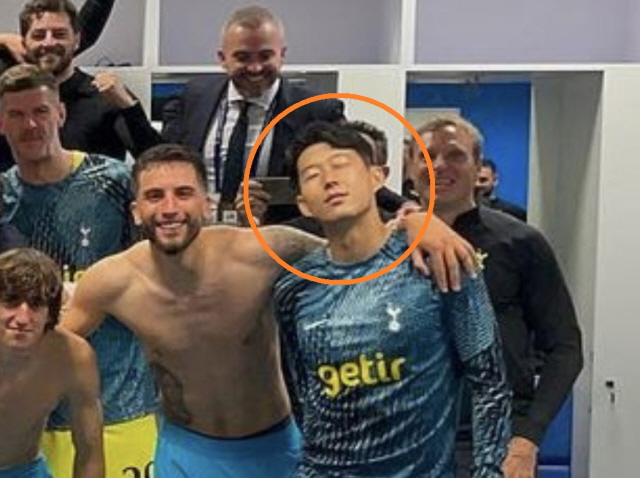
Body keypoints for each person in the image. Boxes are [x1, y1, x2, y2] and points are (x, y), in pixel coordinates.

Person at [60, 142, 479, 477]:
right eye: (155, 196)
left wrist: (414, 221)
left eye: (183, 194)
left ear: (206, 203)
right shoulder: (112, 281)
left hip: (274, 449)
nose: (169, 208)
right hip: (185, 452)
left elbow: (356, 251)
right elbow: (52, 346)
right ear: (136, 211)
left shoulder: (262, 252)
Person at [273, 121, 511, 477]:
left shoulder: (440, 261)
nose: (330, 180)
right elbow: (304, 398)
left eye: (341, 165)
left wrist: (489, 471)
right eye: (313, 175)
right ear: (303, 203)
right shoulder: (294, 289)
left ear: (377, 177)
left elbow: (489, 383)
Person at [0, 64, 156, 478]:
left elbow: (161, 275)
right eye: (16, 114)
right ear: (1, 123)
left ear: (61, 113)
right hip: (24, 424)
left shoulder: (116, 182)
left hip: (120, 404)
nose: (30, 125)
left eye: (40, 111)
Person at [408, 113, 583, 478]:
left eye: (455, 155)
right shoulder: (388, 248)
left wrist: (528, 439)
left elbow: (565, 348)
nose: (438, 165)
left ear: (478, 169)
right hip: (408, 439)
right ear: (410, 169)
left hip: (496, 440)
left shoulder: (520, 243)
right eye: (426, 156)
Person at [162, 5, 347, 225]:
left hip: (278, 236)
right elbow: (162, 159)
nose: (255, 68)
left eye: (265, 56)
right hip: (201, 234)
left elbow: (346, 177)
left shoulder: (317, 111)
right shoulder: (195, 96)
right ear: (222, 58)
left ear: (282, 55)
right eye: (242, 57)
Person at [0, 0, 159, 172]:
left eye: (59, 34)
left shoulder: (105, 98)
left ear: (77, 40)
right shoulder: (8, 100)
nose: (49, 42)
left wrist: (129, 107)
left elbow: (159, 163)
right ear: (24, 43)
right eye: (39, 36)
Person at [0, 247, 103, 478]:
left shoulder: (72, 356)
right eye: (10, 302)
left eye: (36, 305)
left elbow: (90, 453)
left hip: (24, 470)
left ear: (50, 313)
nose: (23, 318)